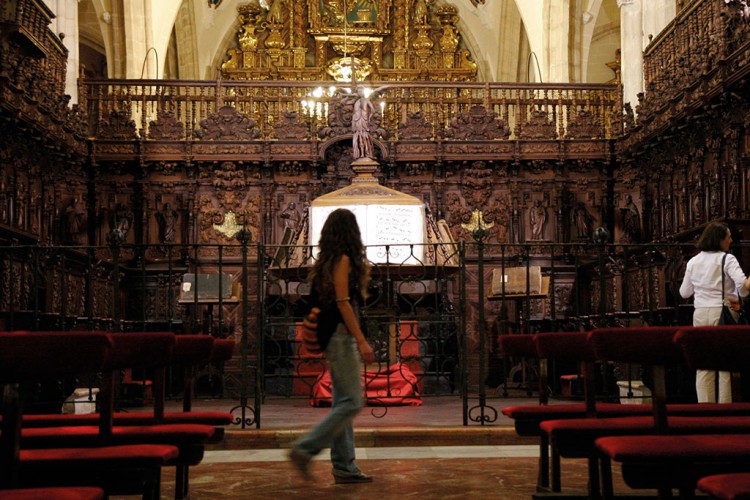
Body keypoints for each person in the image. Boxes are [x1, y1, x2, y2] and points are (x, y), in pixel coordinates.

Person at [288, 208, 375, 484]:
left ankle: (344, 466)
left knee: (343, 402)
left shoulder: (329, 260)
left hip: (333, 336)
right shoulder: (344, 260)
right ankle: (305, 448)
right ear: (351, 233)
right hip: (340, 335)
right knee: (351, 403)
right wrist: (361, 339)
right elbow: (342, 302)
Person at [679, 221, 750, 403]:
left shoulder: (693, 261)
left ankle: (705, 408)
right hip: (723, 311)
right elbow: (743, 287)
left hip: (701, 313)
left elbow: (684, 292)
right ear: (719, 240)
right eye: (728, 237)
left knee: (703, 365)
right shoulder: (727, 259)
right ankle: (725, 408)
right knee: (724, 364)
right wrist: (738, 295)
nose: (731, 240)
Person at [352, 87, 375, 160]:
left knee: (365, 136)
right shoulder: (356, 102)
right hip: (357, 120)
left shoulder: (366, 100)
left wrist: (369, 118)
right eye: (358, 91)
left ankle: (367, 152)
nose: (360, 93)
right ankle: (361, 154)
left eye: (361, 91)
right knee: (359, 136)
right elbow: (354, 113)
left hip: (364, 119)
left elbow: (372, 110)